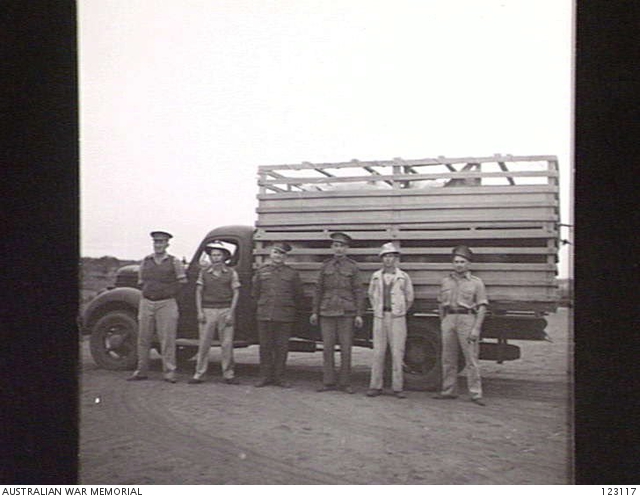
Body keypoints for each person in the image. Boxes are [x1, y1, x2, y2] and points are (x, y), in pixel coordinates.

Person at [128, 231, 187, 383]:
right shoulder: (146, 261)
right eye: (156, 242)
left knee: (167, 339)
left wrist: (168, 292)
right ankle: (141, 371)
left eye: (161, 242)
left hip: (166, 303)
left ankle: (169, 372)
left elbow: (182, 281)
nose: (158, 245)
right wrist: (149, 292)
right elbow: (141, 281)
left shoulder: (174, 261)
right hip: (147, 302)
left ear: (167, 244)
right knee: (143, 337)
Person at [433, 245, 489, 406]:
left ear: (468, 264)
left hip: (467, 319)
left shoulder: (476, 283)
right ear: (452, 263)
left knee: (471, 358)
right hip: (449, 318)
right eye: (456, 262)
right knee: (448, 358)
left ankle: (475, 393)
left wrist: (476, 328)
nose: (459, 265)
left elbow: (482, 306)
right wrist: (444, 321)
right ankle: (449, 390)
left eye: (462, 262)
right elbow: (440, 303)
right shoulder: (445, 281)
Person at [310, 232, 364, 394]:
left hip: (346, 312)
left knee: (346, 349)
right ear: (332, 247)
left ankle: (345, 383)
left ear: (347, 248)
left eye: (342, 246)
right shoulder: (325, 266)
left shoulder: (352, 267)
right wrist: (314, 311)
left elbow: (358, 291)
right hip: (327, 311)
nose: (339, 249)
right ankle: (328, 382)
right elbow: (318, 289)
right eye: (336, 245)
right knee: (327, 348)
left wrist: (359, 314)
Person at [252, 242, 304, 388]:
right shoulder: (262, 272)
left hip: (284, 316)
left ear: (285, 256)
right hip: (265, 314)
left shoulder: (292, 274)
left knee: (281, 348)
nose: (278, 256)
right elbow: (255, 293)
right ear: (270, 254)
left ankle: (279, 377)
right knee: (265, 347)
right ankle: (264, 377)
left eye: (281, 253)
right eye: (275, 252)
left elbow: (298, 294)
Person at [188, 241, 241, 385]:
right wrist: (200, 311)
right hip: (208, 310)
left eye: (218, 255)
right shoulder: (204, 273)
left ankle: (228, 374)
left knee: (227, 344)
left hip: (225, 309)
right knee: (204, 343)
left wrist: (231, 312)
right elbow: (198, 292)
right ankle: (199, 373)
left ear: (224, 257)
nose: (215, 258)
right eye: (213, 255)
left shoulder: (231, 273)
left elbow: (236, 293)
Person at [366, 242, 414, 399]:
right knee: (378, 352)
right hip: (380, 316)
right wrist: (378, 309)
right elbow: (371, 295)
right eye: (385, 256)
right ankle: (375, 386)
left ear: (396, 259)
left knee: (397, 352)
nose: (388, 259)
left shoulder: (403, 277)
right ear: (381, 259)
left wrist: (400, 311)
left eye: (391, 256)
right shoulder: (376, 276)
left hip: (397, 317)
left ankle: (397, 387)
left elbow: (409, 297)